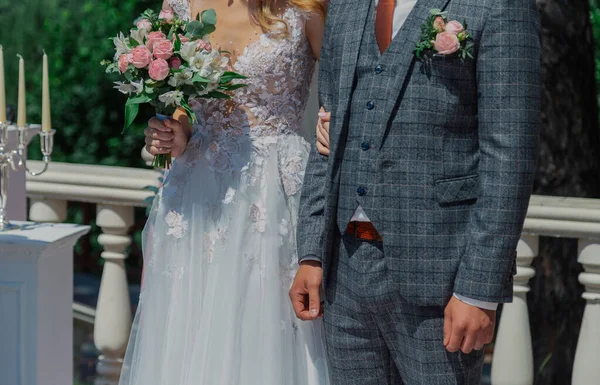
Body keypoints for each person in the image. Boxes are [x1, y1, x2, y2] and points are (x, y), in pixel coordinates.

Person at [291, 0, 541, 383]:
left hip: (440, 276)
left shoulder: (498, 5)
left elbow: (510, 157)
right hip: (344, 271)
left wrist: (478, 290)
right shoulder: (345, 5)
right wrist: (311, 251)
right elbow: (326, 133)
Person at [119, 0, 331, 384]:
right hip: (195, 198)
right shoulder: (180, 7)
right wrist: (175, 131)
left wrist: (333, 124)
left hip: (273, 196)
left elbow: (348, 84)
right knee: (189, 332)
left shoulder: (304, 8)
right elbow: (182, 104)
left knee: (262, 327)